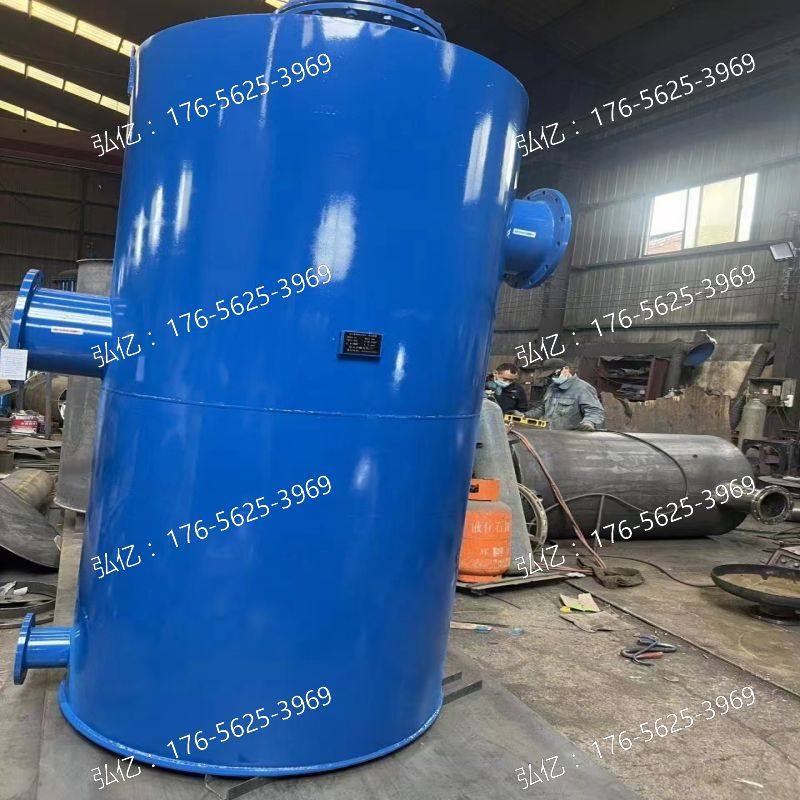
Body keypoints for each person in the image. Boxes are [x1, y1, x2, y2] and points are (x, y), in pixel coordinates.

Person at [527, 358, 604, 431]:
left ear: (566, 369)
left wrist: (589, 422)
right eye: (549, 377)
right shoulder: (552, 387)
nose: (552, 378)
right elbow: (543, 408)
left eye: (555, 374)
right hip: (549, 435)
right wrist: (526, 415)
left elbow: (594, 410)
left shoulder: (583, 388)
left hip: (570, 437)